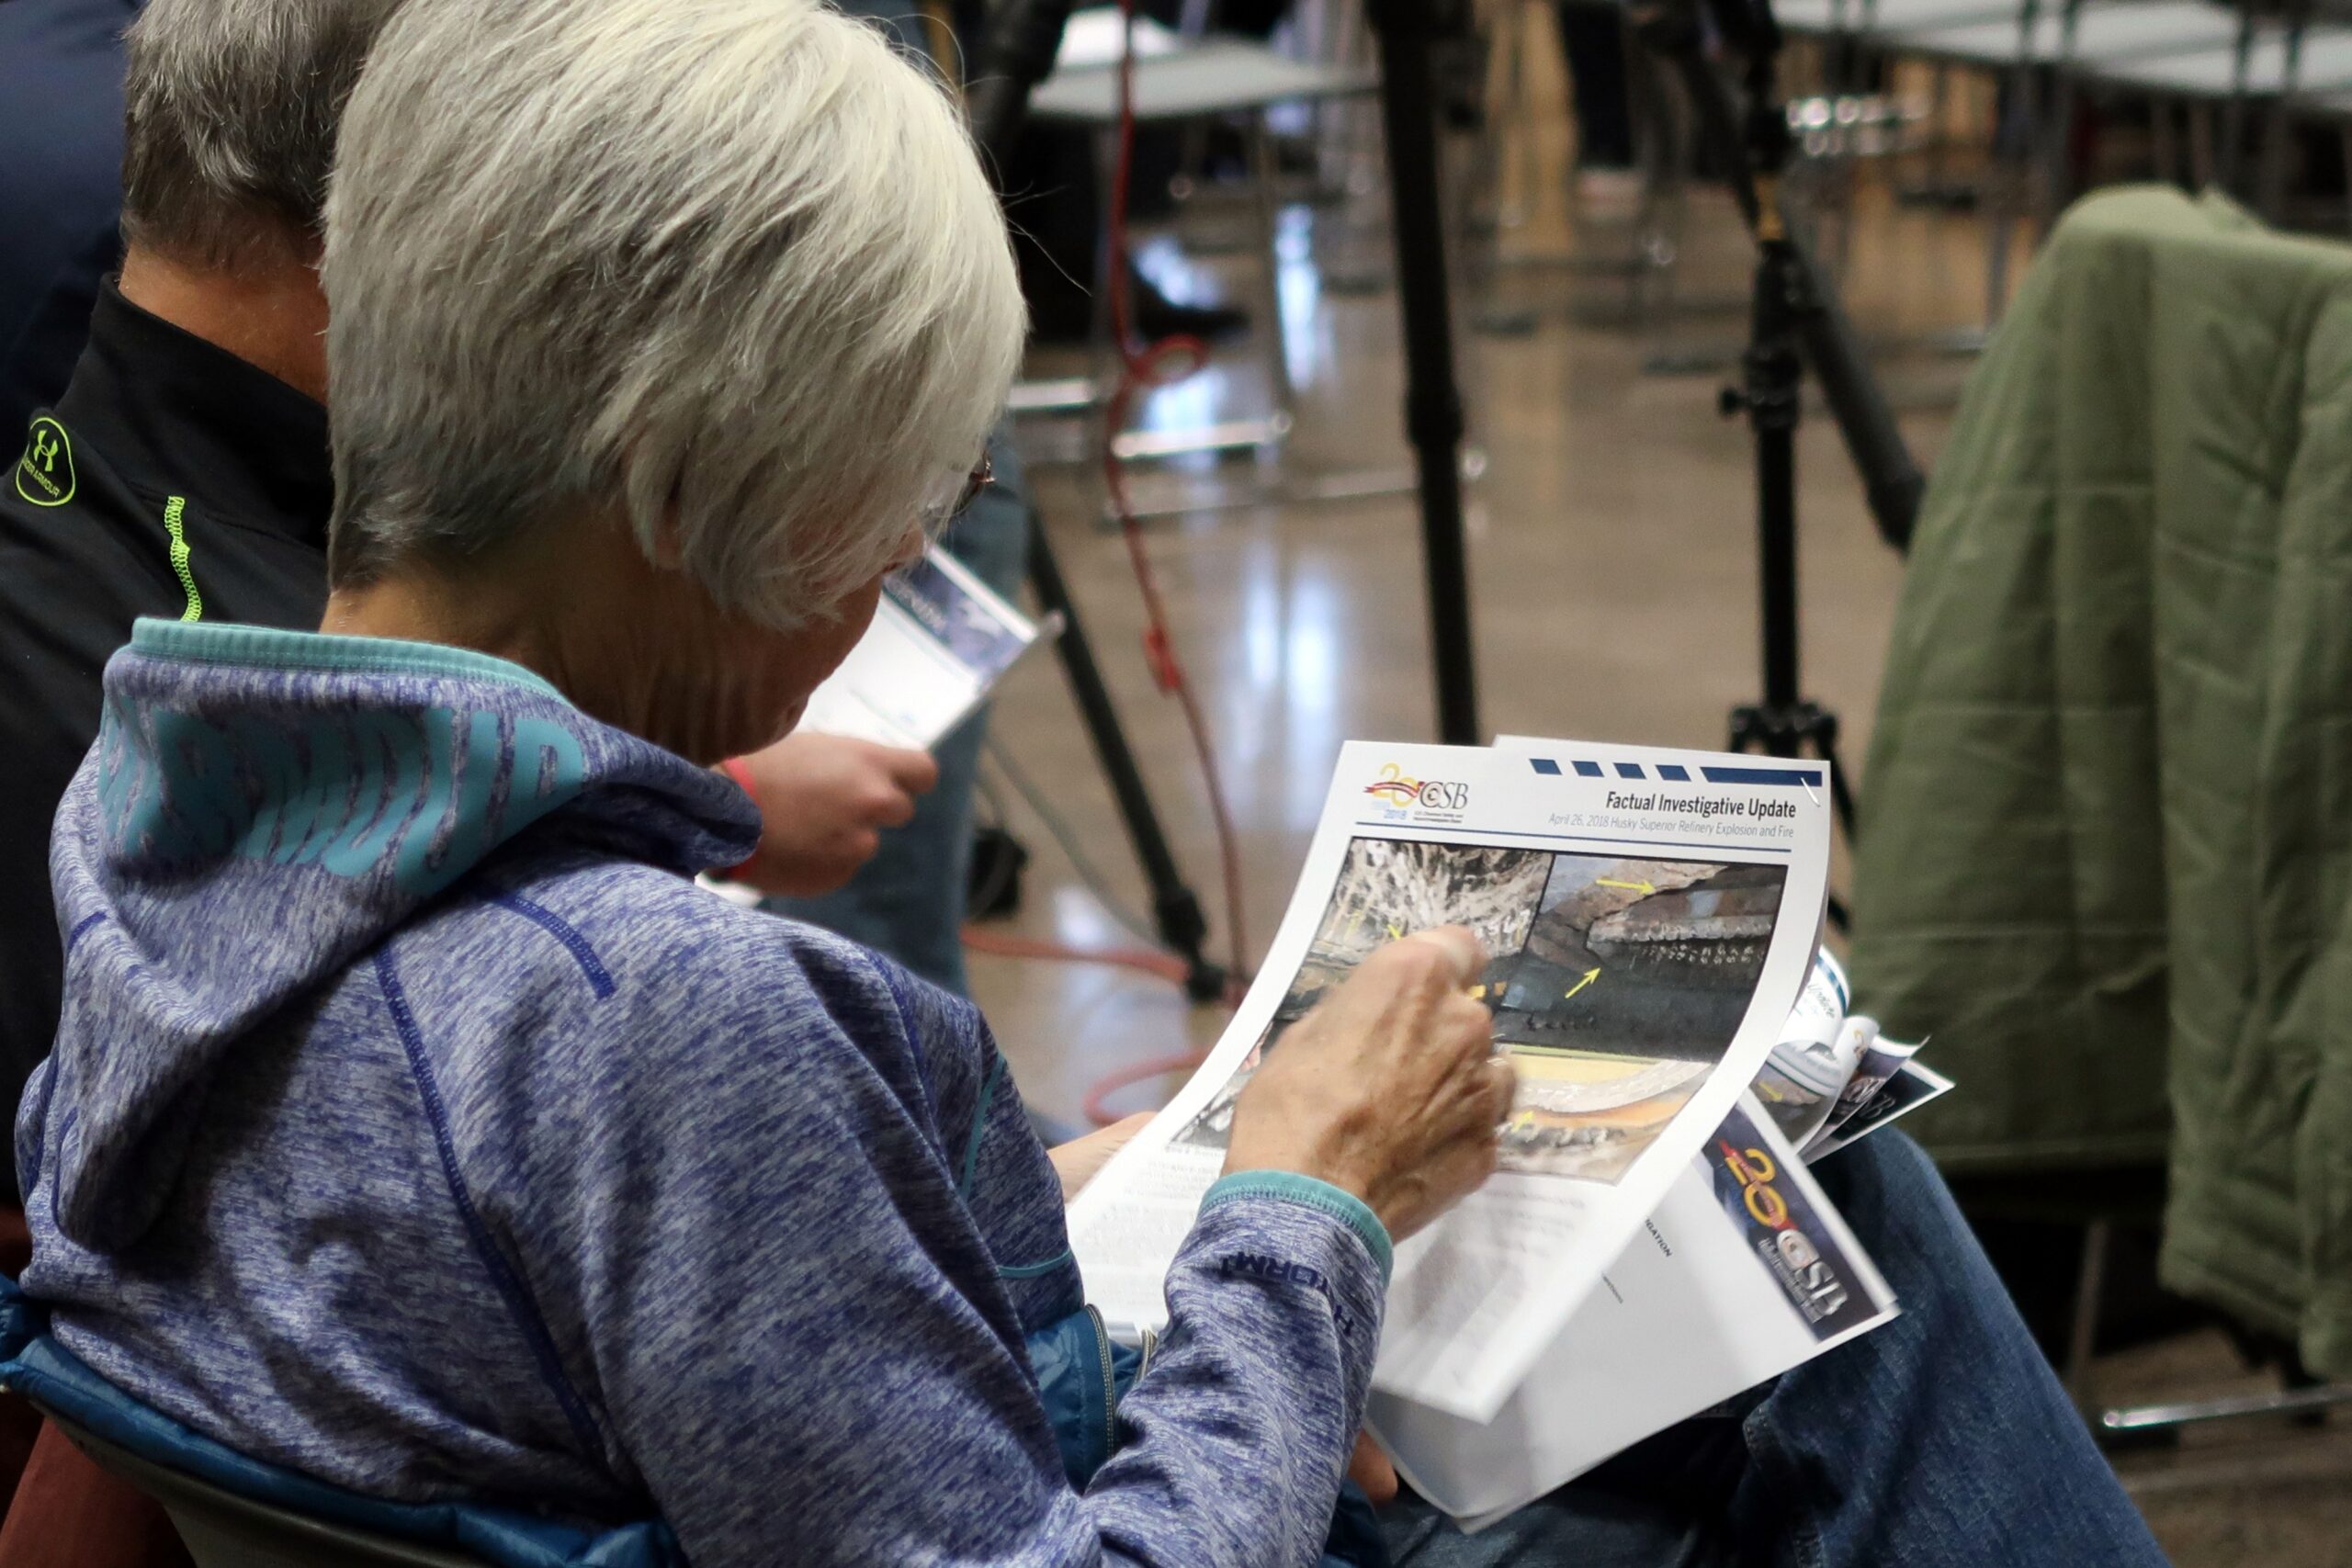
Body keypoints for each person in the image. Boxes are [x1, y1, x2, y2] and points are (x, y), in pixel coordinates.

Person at [15, 0, 2177, 1563]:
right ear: (677, 488)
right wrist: (1295, 1214)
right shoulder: (664, 1023)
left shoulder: (163, 802)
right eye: (890, 499)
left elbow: (579, 1269)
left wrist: (1030, 1191)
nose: (893, 565)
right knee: (1810, 1205)